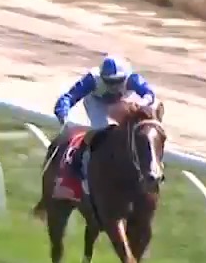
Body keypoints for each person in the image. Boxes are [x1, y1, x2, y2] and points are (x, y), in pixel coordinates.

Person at [53, 54, 158, 182]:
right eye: (109, 82)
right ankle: (80, 163)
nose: (113, 86)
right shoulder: (92, 79)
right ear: (102, 77)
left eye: (117, 81)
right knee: (103, 130)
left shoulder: (132, 79)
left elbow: (149, 93)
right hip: (97, 103)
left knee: (138, 131)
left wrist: (141, 104)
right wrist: (63, 115)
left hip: (123, 101)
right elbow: (68, 97)